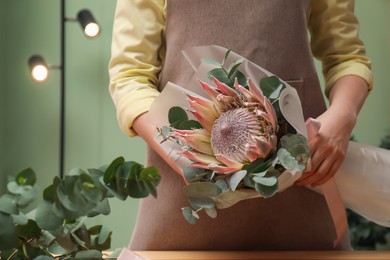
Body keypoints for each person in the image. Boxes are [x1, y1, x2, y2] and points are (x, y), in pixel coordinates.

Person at [109, 0, 372, 250]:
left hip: (302, 180)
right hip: (185, 195)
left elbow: (346, 56)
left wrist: (343, 116)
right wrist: (185, 150)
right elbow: (129, 76)